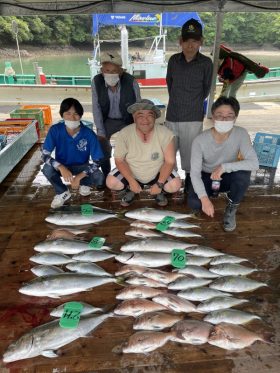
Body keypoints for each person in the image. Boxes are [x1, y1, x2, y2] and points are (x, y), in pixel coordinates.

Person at [188, 96, 259, 232]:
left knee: (243, 175)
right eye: (219, 115)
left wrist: (225, 167)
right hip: (206, 175)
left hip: (227, 175)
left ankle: (232, 207)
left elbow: (254, 163)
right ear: (213, 117)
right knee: (194, 203)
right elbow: (195, 173)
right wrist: (204, 200)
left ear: (235, 118)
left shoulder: (241, 133)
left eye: (229, 116)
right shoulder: (199, 140)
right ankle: (209, 195)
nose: (224, 119)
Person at [165, 18, 213, 192]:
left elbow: (206, 89)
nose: (190, 45)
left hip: (193, 117)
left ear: (201, 42)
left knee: (191, 155)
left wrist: (192, 102)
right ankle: (171, 184)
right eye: (186, 40)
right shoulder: (173, 60)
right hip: (172, 115)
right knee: (169, 153)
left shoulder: (206, 63)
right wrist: (178, 100)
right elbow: (170, 84)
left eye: (195, 40)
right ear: (180, 41)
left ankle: (190, 185)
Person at [106, 99, 182, 207]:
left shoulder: (165, 133)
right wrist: (131, 181)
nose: (145, 120)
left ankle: (159, 191)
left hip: (157, 172)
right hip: (132, 171)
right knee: (111, 182)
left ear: (155, 117)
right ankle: (130, 189)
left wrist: (159, 184)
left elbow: (170, 161)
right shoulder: (124, 133)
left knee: (175, 185)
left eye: (149, 115)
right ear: (134, 117)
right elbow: (119, 160)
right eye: (140, 115)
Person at [42, 98, 104, 209]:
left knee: (98, 176)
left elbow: (97, 162)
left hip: (81, 166)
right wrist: (60, 167)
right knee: (47, 169)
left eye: (76, 114)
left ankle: (85, 184)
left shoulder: (89, 133)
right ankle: (62, 192)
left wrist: (79, 177)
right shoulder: (55, 130)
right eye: (68, 113)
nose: (72, 117)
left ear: (80, 116)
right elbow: (45, 155)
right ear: (62, 115)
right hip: (63, 166)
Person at [92, 52, 141, 178]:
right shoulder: (96, 81)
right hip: (107, 119)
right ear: (102, 71)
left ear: (120, 71)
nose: (110, 73)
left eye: (114, 71)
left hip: (127, 120)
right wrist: (100, 131)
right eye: (107, 70)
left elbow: (138, 107)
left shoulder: (131, 81)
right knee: (101, 144)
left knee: (131, 146)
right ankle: (106, 174)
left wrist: (139, 128)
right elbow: (96, 107)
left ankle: (129, 175)